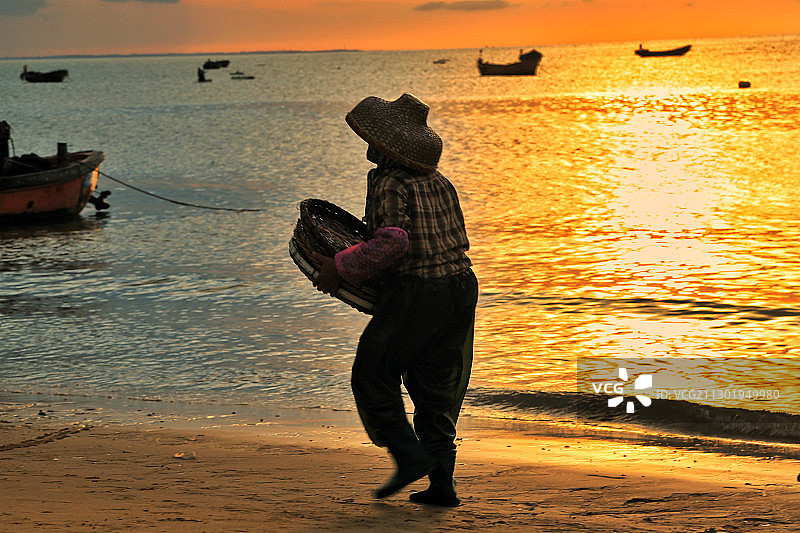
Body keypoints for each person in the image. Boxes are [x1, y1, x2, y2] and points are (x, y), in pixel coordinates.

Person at [313, 93, 478, 507]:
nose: (367, 146)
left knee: (372, 372)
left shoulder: (388, 182)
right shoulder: (439, 181)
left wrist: (341, 267)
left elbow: (393, 243)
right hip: (460, 286)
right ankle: (442, 485)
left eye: (372, 139)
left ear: (386, 147)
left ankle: (408, 456)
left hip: (420, 291)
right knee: (435, 385)